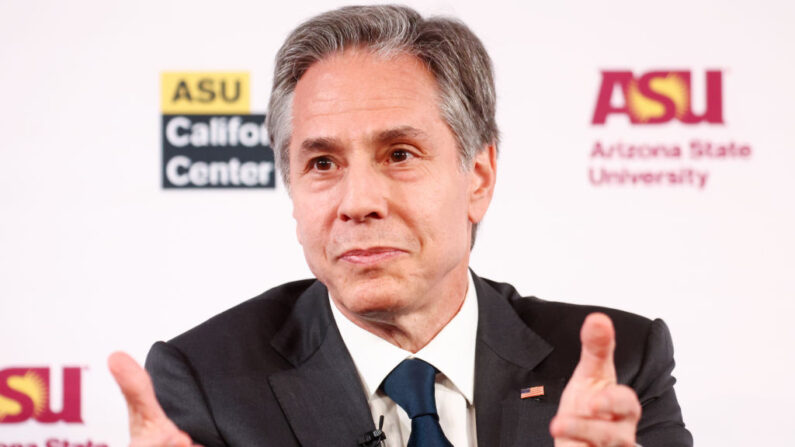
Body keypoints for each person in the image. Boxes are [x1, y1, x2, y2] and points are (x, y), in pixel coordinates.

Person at [109, 5, 692, 446]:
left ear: (479, 177)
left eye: (400, 155)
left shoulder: (615, 369)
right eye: (322, 164)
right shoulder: (208, 384)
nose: (358, 202)